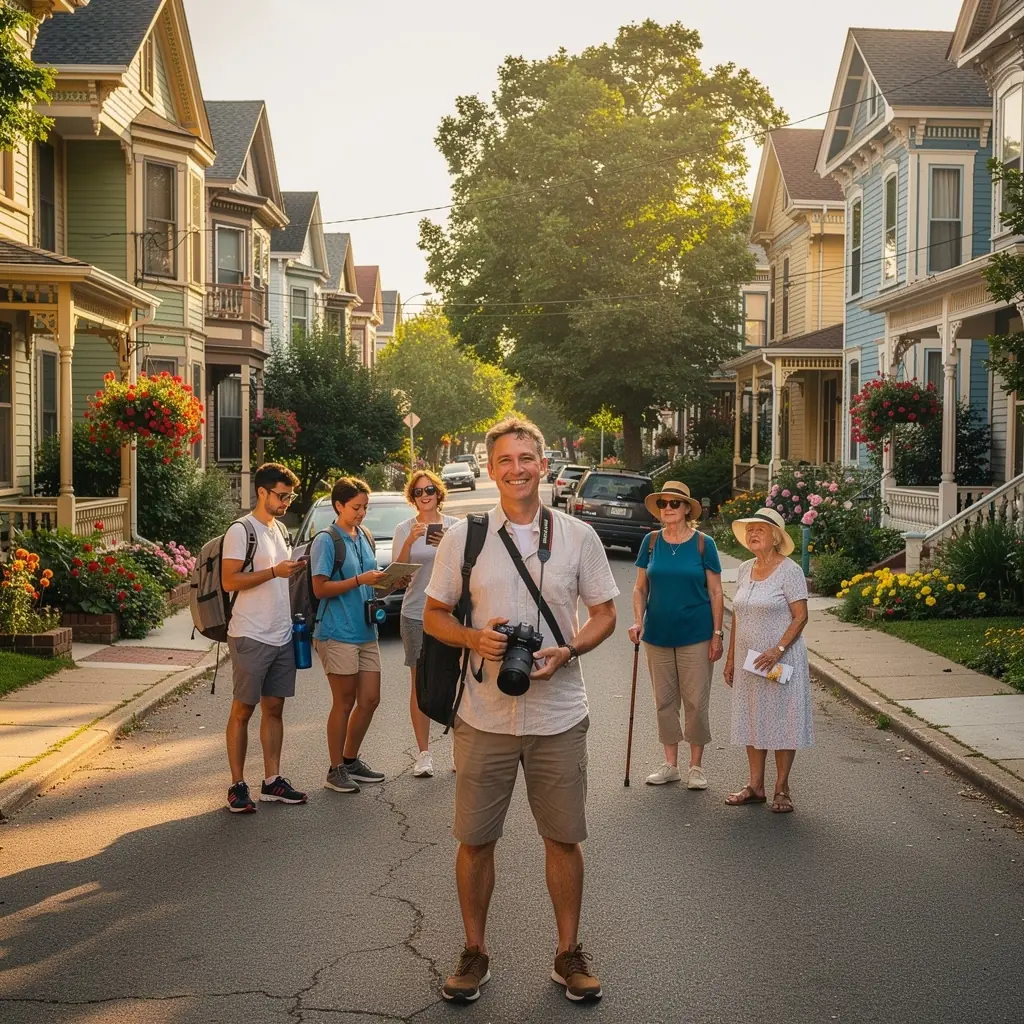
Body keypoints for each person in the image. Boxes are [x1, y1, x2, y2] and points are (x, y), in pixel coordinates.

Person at [424, 416, 618, 1004]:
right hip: (482, 715)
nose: (517, 469)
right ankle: (474, 951)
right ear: (491, 468)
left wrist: (569, 649)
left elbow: (606, 613)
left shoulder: (578, 537)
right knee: (475, 840)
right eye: (505, 460)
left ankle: (568, 953)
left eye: (527, 458)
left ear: (544, 463)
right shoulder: (465, 536)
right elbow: (434, 615)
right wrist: (473, 639)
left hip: (558, 713)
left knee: (563, 838)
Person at [221, 462, 308, 813]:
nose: (286, 501)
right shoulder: (242, 530)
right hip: (250, 633)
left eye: (290, 496)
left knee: (275, 708)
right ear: (262, 492)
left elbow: (279, 580)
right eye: (282, 495)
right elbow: (229, 581)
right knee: (243, 709)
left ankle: (272, 781)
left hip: (281, 632)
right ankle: (237, 785)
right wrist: (273, 571)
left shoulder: (280, 530)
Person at [628, 481, 724, 790]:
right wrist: (637, 621)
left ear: (686, 509)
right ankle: (671, 765)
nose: (667, 508)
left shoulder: (702, 543)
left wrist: (717, 633)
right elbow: (640, 587)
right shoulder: (651, 542)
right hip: (657, 634)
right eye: (663, 504)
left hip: (696, 633)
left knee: (695, 701)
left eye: (674, 503)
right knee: (664, 702)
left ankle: (696, 767)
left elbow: (716, 591)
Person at [723, 506, 812, 814]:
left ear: (776, 537)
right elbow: (737, 615)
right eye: (750, 530)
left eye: (760, 529)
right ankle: (755, 785)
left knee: (782, 720)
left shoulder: (790, 570)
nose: (753, 534)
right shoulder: (746, 568)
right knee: (753, 719)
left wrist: (778, 649)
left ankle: (782, 787)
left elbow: (801, 617)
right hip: (749, 663)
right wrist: (731, 659)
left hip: (779, 662)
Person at [310, 477, 393, 794]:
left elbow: (370, 584)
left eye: (365, 508)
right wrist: (360, 579)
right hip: (337, 631)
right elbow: (320, 588)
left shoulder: (366, 535)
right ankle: (335, 770)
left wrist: (392, 583)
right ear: (339, 506)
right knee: (344, 702)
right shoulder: (327, 541)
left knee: (370, 699)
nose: (361, 513)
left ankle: (351, 759)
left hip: (366, 630)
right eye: (356, 507)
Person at [392, 470, 459, 778]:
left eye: (430, 489)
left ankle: (461, 750)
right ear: (413, 497)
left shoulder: (456, 527)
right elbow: (397, 574)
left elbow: (467, 572)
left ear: (438, 491)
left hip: (451, 615)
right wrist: (411, 539)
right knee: (420, 683)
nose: (425, 495)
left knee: (457, 680)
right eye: (418, 492)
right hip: (415, 613)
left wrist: (450, 544)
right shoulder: (404, 528)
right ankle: (424, 754)